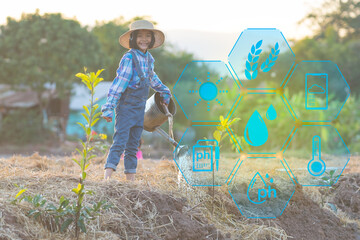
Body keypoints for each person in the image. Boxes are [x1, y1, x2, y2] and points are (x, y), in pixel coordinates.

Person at [101, 20, 171, 181]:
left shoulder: (148, 59)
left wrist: (165, 91)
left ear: (152, 39)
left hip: (140, 109)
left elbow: (153, 79)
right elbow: (118, 84)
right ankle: (106, 180)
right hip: (126, 109)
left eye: (148, 36)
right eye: (140, 36)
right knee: (119, 143)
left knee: (133, 146)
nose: (144, 39)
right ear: (133, 38)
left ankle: (131, 183)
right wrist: (108, 107)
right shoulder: (129, 58)